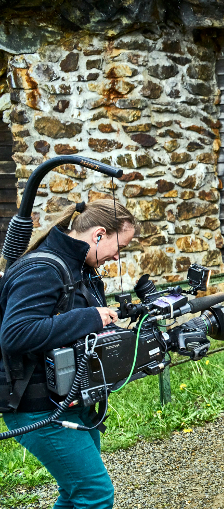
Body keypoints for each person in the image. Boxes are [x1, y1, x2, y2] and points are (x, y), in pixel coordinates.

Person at [1, 200, 136, 509]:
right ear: (99, 234)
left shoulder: (81, 269)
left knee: (75, 493)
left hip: (72, 400)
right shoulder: (42, 268)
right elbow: (16, 334)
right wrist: (91, 318)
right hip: (38, 408)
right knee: (95, 494)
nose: (117, 256)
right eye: (120, 247)